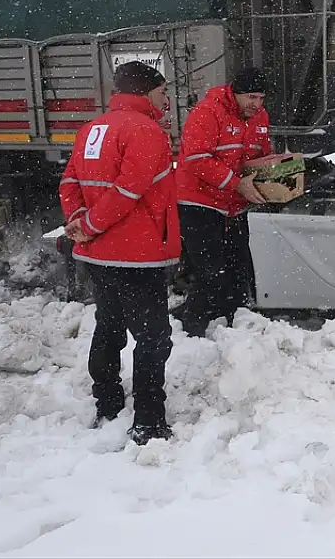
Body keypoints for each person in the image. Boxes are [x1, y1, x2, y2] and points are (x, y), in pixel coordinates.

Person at [59, 61, 180, 445]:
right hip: (137, 254)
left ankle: (107, 403)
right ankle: (148, 419)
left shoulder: (91, 129)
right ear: (145, 91)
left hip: (98, 255)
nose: (167, 100)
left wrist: (80, 220)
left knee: (109, 328)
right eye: (162, 92)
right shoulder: (146, 132)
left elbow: (70, 181)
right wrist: (92, 223)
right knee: (153, 337)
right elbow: (129, 191)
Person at [174, 65, 276, 338]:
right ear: (235, 93)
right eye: (252, 97)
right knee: (211, 272)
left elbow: (259, 157)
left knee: (238, 268)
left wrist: (276, 172)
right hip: (199, 203)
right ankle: (190, 331)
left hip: (234, 205)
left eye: (261, 98)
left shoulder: (260, 117)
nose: (257, 104)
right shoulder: (207, 112)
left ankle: (235, 323)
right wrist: (236, 182)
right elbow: (196, 159)